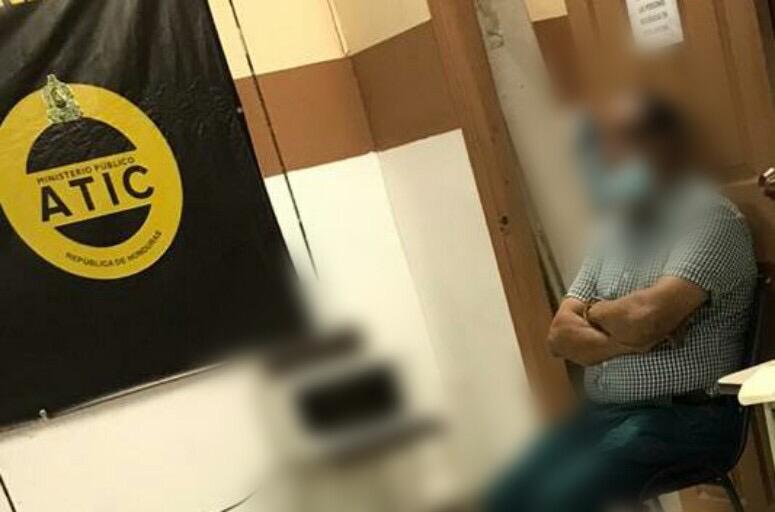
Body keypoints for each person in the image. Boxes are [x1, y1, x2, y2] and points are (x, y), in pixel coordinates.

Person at [486, 91, 758, 512]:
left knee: (559, 499)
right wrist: (632, 333)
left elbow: (648, 316)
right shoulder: (614, 228)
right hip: (606, 414)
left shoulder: (710, 219)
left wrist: (605, 317)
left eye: (623, 141)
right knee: (508, 494)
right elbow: (560, 336)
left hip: (686, 417)